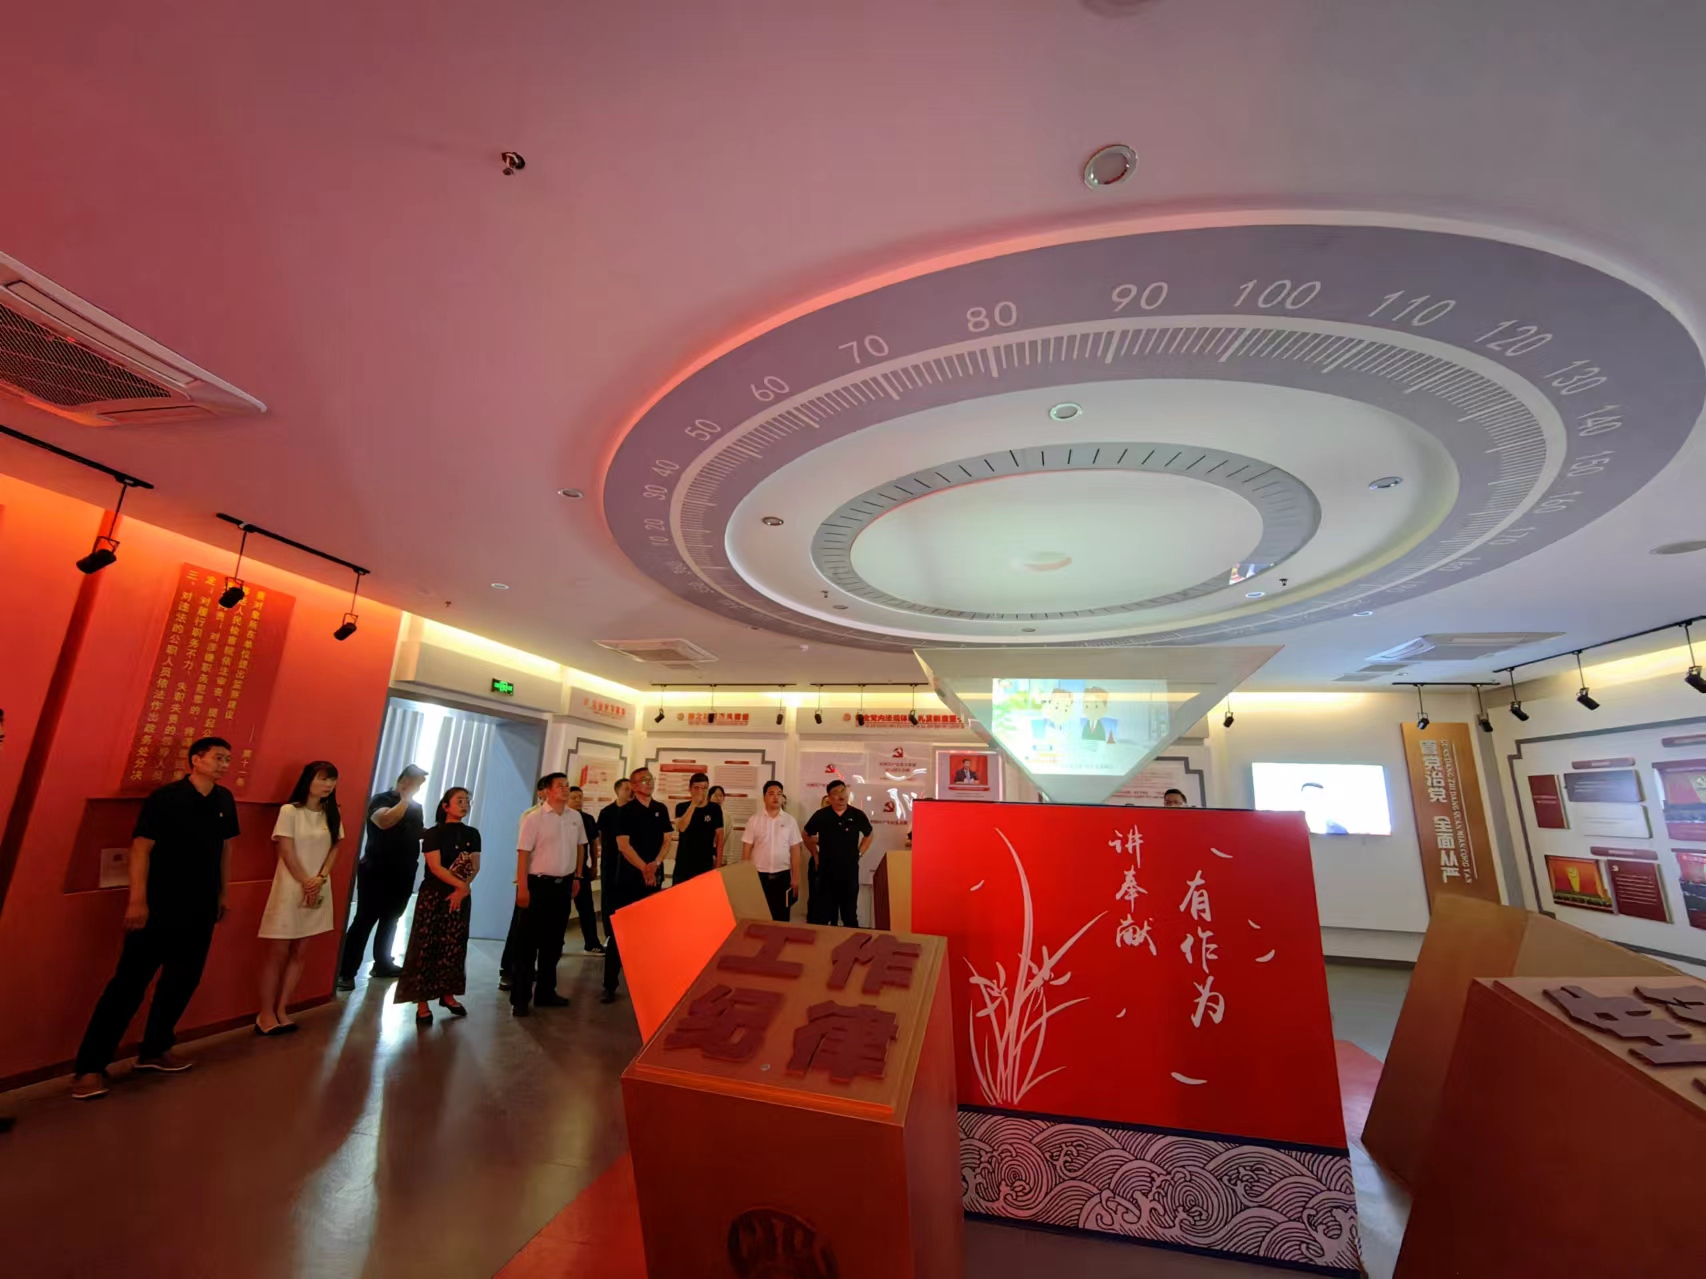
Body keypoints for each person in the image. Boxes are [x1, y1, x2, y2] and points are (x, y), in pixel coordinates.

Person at [71, 737, 239, 1100]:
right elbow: (141, 849)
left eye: (228, 759)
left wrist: (223, 893)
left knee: (182, 980)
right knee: (128, 985)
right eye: (218, 757)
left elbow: (225, 849)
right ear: (196, 759)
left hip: (201, 908)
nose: (225, 764)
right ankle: (89, 1067)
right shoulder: (166, 798)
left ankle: (155, 1049)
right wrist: (137, 900)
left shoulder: (225, 800)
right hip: (159, 906)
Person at [255, 761, 343, 1035]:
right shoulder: (290, 811)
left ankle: (283, 1009)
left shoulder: (332, 813)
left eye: (332, 780)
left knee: (300, 952)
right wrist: (305, 881)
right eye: (322, 778)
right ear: (308, 780)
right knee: (278, 952)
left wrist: (320, 878)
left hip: (318, 887)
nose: (328, 785)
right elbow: (286, 850)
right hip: (291, 887)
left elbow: (335, 848)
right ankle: (265, 1013)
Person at [337, 764, 427, 991]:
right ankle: (346, 972)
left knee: (391, 919)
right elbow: (384, 821)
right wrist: (404, 800)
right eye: (416, 783)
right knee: (365, 919)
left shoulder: (416, 807)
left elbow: (417, 833)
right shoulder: (381, 800)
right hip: (376, 870)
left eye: (420, 785)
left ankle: (383, 964)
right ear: (404, 781)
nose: (418, 788)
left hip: (404, 871)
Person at [396, 787, 481, 1026]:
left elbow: (474, 865)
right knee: (426, 946)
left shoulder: (472, 833)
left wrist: (462, 889)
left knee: (454, 945)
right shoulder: (433, 833)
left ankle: (448, 995)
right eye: (459, 801)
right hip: (434, 895)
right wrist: (461, 887)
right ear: (445, 806)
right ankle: (422, 1004)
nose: (464, 805)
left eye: (467, 801)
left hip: (459, 895)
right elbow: (435, 867)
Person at [511, 773, 587, 1016]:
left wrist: (577, 876)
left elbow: (580, 847)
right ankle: (520, 998)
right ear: (547, 790)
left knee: (553, 943)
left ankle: (545, 992)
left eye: (567, 785)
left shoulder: (575, 817)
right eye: (560, 786)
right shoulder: (534, 818)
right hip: (538, 885)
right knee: (527, 944)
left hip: (563, 886)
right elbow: (523, 854)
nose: (565, 789)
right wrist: (523, 888)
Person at [601, 767, 672, 1004]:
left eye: (650, 779)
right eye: (643, 780)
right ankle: (610, 984)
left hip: (653, 877)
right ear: (633, 785)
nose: (648, 783)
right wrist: (644, 867)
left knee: (649, 932)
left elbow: (667, 839)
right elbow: (623, 845)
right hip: (628, 879)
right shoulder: (625, 811)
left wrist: (656, 864)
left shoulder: (660, 809)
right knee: (620, 932)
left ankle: (645, 982)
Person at [498, 776, 551, 992]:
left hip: (548, 882)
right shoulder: (531, 816)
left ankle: (527, 970)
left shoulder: (564, 817)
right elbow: (525, 851)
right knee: (520, 928)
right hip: (530, 879)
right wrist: (522, 882)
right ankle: (508, 970)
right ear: (541, 792)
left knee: (539, 930)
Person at [803, 780, 873, 928]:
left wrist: (859, 853)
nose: (841, 797)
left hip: (849, 871)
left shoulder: (857, 815)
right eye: (836, 793)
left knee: (849, 915)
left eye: (843, 791)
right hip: (826, 871)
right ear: (829, 798)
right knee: (821, 916)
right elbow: (806, 833)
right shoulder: (822, 815)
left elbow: (869, 834)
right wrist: (815, 854)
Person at [743, 780, 804, 923]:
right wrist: (745, 877)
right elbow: (746, 849)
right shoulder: (754, 820)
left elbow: (795, 850)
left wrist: (796, 877)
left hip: (782, 876)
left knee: (781, 918)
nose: (776, 797)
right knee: (759, 918)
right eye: (771, 794)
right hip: (759, 877)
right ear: (764, 797)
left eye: (779, 794)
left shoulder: (790, 821)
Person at [568, 785, 604, 953]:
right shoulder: (562, 818)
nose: (578, 801)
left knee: (586, 908)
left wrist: (594, 865)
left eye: (580, 797)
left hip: (582, 869)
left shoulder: (588, 819)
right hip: (564, 869)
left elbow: (593, 845)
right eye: (574, 798)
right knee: (560, 910)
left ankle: (592, 942)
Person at [672, 772, 725, 885]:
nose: (701, 791)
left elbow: (720, 837)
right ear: (690, 789)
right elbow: (681, 828)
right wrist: (693, 805)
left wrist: (718, 864)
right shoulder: (681, 807)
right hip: (683, 863)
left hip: (705, 863)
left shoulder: (714, 808)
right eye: (697, 788)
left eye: (704, 788)